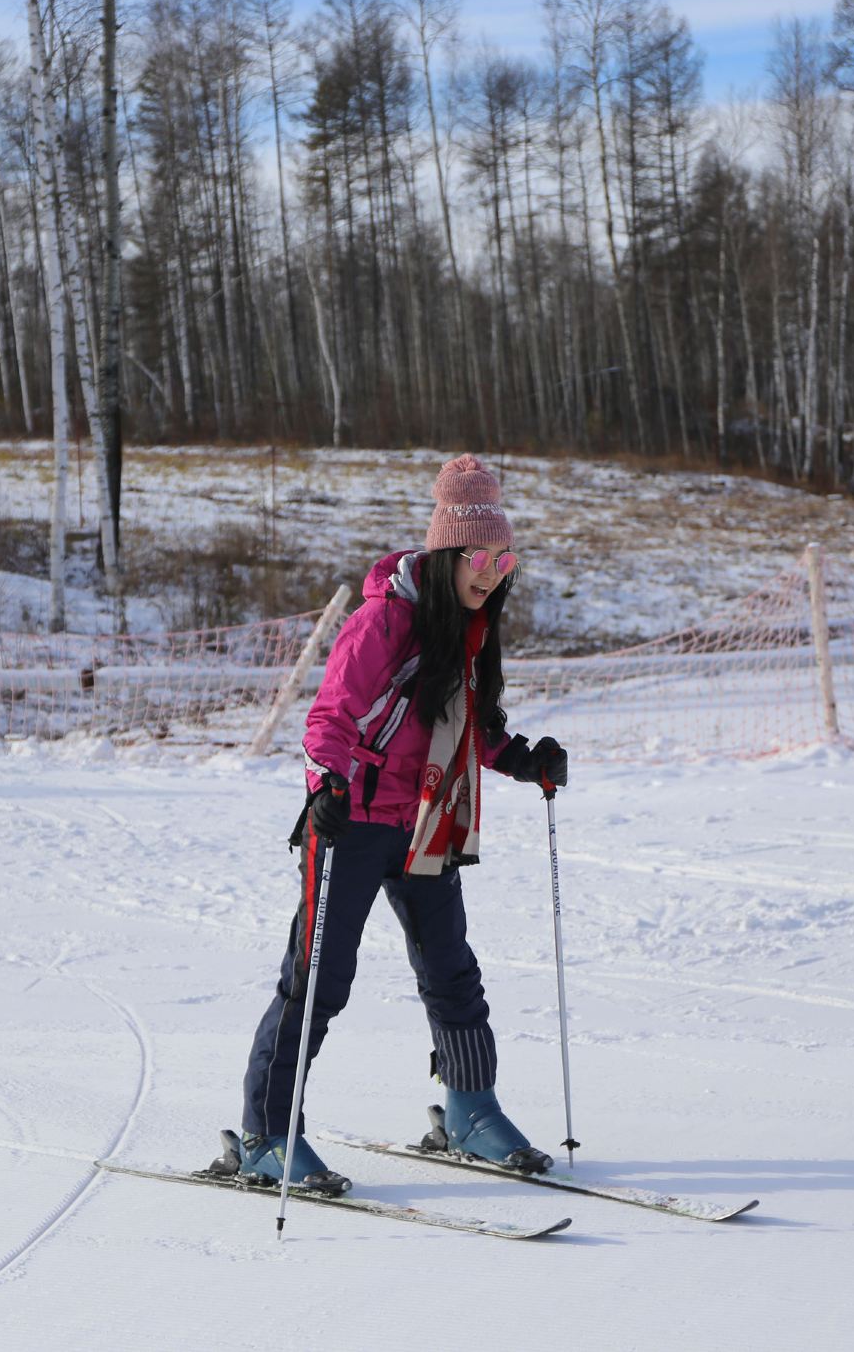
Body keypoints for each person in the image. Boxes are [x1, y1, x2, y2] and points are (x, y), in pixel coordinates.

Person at [214, 454, 570, 1195]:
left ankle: (471, 1109)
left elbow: (468, 724)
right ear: (447, 554)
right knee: (318, 980)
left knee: (452, 971)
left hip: (427, 821)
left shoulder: (468, 628)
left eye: (504, 559)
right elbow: (330, 718)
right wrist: (326, 786)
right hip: (351, 821)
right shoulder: (385, 618)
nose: (492, 573)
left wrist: (522, 758)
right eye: (480, 557)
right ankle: (266, 1134)